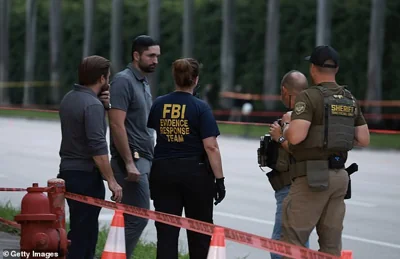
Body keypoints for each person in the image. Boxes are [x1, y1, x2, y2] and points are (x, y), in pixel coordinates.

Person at [280, 45, 370, 257]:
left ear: (313, 68)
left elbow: (296, 137)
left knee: (292, 242)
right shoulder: (349, 98)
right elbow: (364, 139)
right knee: (331, 247)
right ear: (336, 69)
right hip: (340, 176)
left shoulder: (309, 97)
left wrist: (285, 128)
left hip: (312, 177)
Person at [147, 58, 226, 259]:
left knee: (166, 233)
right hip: (195, 174)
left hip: (163, 172)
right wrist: (220, 180)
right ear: (196, 79)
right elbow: (211, 146)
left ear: (175, 77)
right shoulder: (201, 108)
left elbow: (155, 131)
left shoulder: (159, 104)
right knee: (199, 232)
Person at [58, 55, 123, 259]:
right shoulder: (92, 105)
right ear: (102, 79)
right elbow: (98, 148)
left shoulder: (69, 98)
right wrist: (112, 181)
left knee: (77, 229)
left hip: (68, 171)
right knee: (85, 235)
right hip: (86, 175)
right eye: (108, 77)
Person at [107, 35, 161, 258]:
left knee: (132, 217)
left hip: (145, 158)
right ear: (136, 55)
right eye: (151, 55)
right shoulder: (123, 81)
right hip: (132, 161)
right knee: (138, 218)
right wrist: (129, 162)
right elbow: (116, 124)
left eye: (157, 56)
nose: (155, 60)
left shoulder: (142, 81)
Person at [268, 70, 309, 259]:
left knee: (279, 243)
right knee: (299, 241)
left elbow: (298, 149)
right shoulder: (313, 114)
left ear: (285, 91)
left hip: (291, 186)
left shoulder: (295, 118)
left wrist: (280, 135)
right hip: (307, 184)